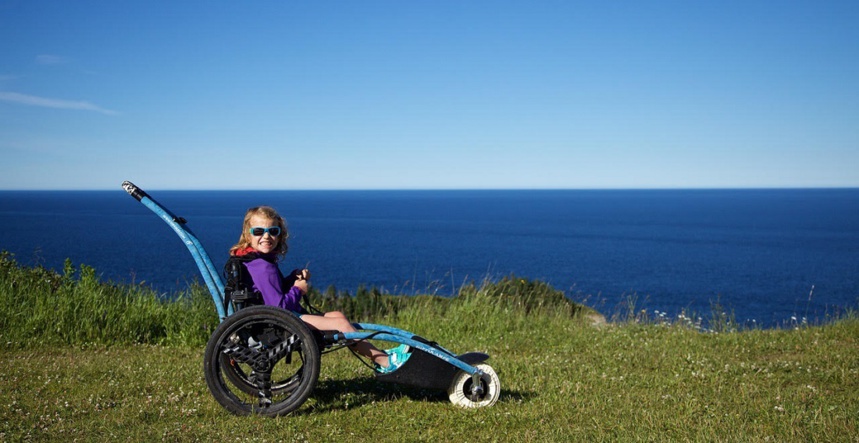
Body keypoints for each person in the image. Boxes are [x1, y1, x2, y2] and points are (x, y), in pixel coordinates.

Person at [228, 205, 409, 373]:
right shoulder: (263, 267)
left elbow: (270, 292)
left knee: (337, 315)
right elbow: (279, 306)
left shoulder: (255, 261)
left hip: (269, 320)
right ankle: (385, 362)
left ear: (279, 235)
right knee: (341, 326)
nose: (266, 236)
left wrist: (291, 278)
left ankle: (380, 354)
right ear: (248, 234)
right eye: (259, 231)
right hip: (278, 323)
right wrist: (298, 290)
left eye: (272, 231)